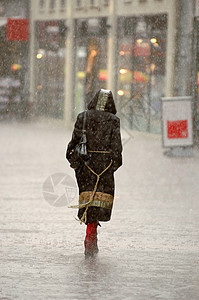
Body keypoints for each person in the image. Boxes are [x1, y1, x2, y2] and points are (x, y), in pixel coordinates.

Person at [66, 89, 122, 257]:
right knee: (100, 202)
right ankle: (92, 237)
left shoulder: (83, 117)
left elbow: (73, 144)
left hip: (86, 166)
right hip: (104, 168)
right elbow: (117, 149)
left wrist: (77, 165)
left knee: (88, 201)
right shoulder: (113, 121)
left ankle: (90, 236)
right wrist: (112, 166)